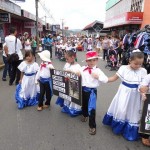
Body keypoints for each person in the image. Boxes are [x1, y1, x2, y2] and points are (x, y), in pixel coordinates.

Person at [103, 50, 147, 141]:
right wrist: (102, 79)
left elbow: (144, 85)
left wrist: (143, 92)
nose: (138, 66)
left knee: (133, 111)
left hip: (135, 95)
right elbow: (114, 78)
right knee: (121, 109)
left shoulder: (143, 71)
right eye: (136, 63)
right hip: (123, 93)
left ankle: (129, 129)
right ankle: (118, 126)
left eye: (140, 64)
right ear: (130, 60)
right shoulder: (123, 68)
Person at [80, 51, 108, 135]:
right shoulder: (82, 68)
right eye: (89, 60)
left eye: (94, 60)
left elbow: (105, 79)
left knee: (92, 109)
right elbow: (77, 73)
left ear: (97, 60)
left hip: (92, 92)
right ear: (86, 61)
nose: (92, 62)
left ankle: (92, 126)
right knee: (84, 104)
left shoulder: (98, 70)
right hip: (83, 89)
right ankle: (85, 115)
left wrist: (98, 77)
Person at [56, 50, 82, 116]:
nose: (66, 60)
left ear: (73, 57)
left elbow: (79, 76)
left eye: (67, 59)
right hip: (66, 82)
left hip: (73, 84)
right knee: (67, 96)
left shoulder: (78, 66)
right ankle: (66, 106)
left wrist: (71, 72)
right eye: (65, 59)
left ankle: (73, 109)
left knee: (73, 96)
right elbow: (63, 71)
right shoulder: (67, 64)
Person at [139, 75, 150, 147]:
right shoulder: (149, 76)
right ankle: (145, 135)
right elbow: (142, 87)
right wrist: (143, 92)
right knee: (148, 118)